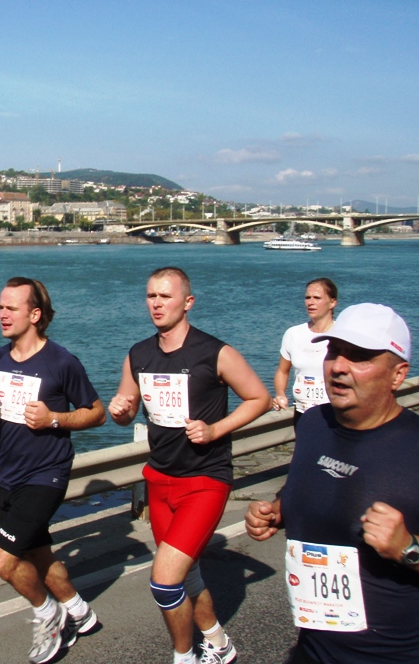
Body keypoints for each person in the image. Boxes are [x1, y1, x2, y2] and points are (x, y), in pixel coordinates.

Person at [108, 267, 271, 664]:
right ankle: (218, 643)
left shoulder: (215, 352)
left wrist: (216, 429)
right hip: (159, 481)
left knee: (165, 583)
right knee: (188, 574)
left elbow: (259, 398)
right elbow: (126, 410)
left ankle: (185, 656)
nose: (157, 304)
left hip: (204, 480)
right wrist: (120, 411)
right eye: (151, 296)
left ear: (187, 302)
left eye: (165, 296)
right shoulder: (139, 354)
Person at [245, 303, 419, 663]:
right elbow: (309, 483)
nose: (339, 366)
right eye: (334, 352)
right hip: (312, 649)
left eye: (360, 357)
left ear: (397, 375)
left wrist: (409, 550)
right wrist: (279, 509)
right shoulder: (313, 423)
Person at [0, 277, 106, 664]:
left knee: (4, 559)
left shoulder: (62, 362)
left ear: (35, 314)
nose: (2, 314)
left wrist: (55, 419)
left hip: (47, 472)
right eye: (0, 307)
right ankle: (81, 612)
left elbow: (98, 413)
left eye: (11, 308)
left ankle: (49, 616)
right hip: (7, 474)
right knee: (38, 553)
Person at [272, 278, 338, 427]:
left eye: (317, 298)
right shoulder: (293, 334)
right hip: (302, 413)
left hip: (335, 414)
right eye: (307, 297)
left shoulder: (342, 335)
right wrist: (280, 394)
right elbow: (282, 371)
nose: (310, 302)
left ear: (332, 302)